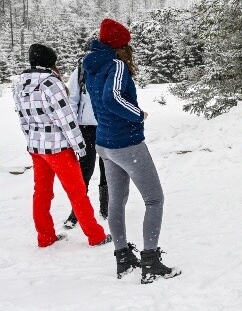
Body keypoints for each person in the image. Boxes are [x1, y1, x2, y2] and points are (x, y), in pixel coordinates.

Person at [83, 18, 181, 284]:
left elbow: (100, 99)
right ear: (119, 44)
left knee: (117, 202)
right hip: (126, 143)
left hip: (104, 142)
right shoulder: (115, 64)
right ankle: (151, 262)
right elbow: (111, 98)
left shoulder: (91, 62)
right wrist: (137, 114)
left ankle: (123, 258)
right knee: (154, 200)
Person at [12, 43, 111, 248]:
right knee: (77, 192)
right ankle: (96, 235)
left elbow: (23, 120)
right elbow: (66, 120)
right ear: (50, 62)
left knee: (42, 193)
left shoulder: (20, 83)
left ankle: (45, 237)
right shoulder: (50, 83)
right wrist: (80, 146)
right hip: (58, 149)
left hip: (36, 148)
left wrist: (32, 141)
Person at [63, 51, 109, 229]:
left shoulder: (113, 66)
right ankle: (77, 211)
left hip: (106, 125)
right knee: (84, 170)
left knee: (108, 168)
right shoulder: (81, 69)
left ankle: (106, 208)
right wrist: (73, 128)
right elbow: (72, 99)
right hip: (86, 128)